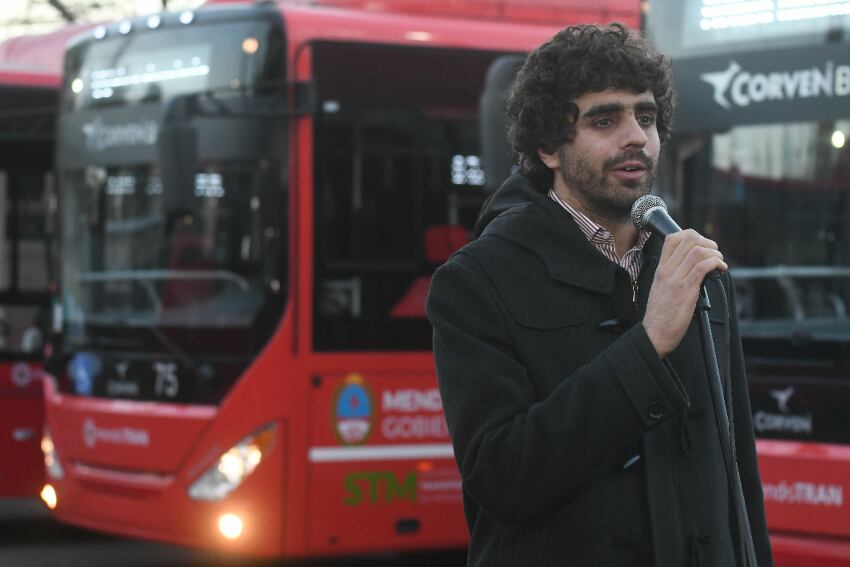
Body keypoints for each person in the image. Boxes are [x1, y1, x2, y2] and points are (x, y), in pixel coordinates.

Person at [427, 23, 773, 567]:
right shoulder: (474, 280)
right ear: (548, 147)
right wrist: (649, 343)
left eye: (647, 116)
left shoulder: (694, 266)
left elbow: (738, 479)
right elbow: (501, 477)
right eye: (604, 119)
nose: (635, 136)